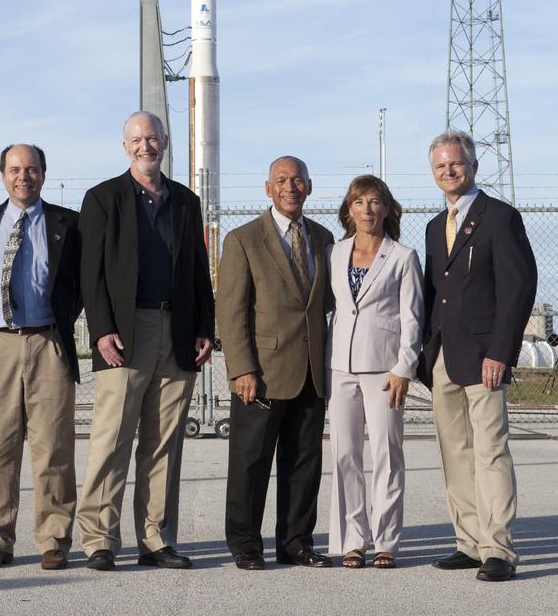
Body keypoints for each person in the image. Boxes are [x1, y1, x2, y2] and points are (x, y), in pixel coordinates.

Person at [74, 111, 215, 571]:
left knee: (163, 444)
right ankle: (99, 539)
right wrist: (101, 330)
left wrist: (204, 327)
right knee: (111, 439)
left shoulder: (185, 202)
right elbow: (90, 273)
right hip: (125, 333)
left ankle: (156, 538)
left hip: (175, 332)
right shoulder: (102, 199)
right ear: (124, 146)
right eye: (136, 139)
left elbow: (198, 272)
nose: (145, 146)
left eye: (152, 138)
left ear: (165, 142)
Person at [0, 144, 82, 571]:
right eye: (14, 169)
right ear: (2, 175)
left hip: (49, 344)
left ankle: (54, 539)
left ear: (43, 174)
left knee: (53, 448)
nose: (23, 176)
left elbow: (81, 285)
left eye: (31, 169)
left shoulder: (70, 225)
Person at [419, 129, 537, 582]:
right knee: (455, 452)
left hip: (485, 356)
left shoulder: (500, 218)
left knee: (490, 451)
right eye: (440, 166)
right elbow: (434, 294)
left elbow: (518, 288)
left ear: (473, 166)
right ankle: (467, 542)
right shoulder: (434, 227)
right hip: (445, 357)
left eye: (456, 164)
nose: (449, 171)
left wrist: (500, 352)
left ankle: (498, 549)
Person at [216, 156, 335, 571]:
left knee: (304, 464)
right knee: (250, 462)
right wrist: (241, 368)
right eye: (282, 180)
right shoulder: (244, 239)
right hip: (261, 374)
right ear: (267, 188)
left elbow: (329, 304)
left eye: (298, 180)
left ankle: (296, 542)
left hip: (310, 372)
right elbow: (231, 311)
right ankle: (246, 543)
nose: (291, 186)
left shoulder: (324, 238)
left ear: (309, 186)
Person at [326, 174, 422, 569]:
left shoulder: (403, 256)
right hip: (340, 367)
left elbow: (413, 318)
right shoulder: (334, 252)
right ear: (349, 210)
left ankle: (386, 542)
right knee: (345, 454)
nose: (367, 209)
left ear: (387, 208)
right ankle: (353, 540)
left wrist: (404, 367)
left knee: (386, 454)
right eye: (359, 201)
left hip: (385, 371)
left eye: (375, 201)